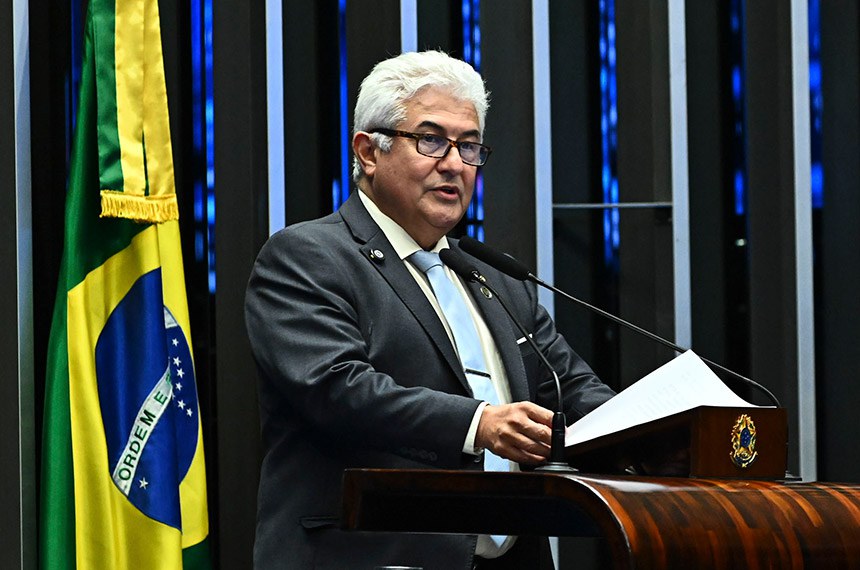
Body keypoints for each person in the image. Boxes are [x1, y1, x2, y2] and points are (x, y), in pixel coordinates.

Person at [245, 50, 616, 570]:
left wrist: (661, 429)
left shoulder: (495, 277)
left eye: (469, 146)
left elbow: (572, 389)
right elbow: (336, 388)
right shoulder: (307, 256)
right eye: (431, 140)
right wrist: (479, 423)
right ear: (368, 152)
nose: (454, 164)